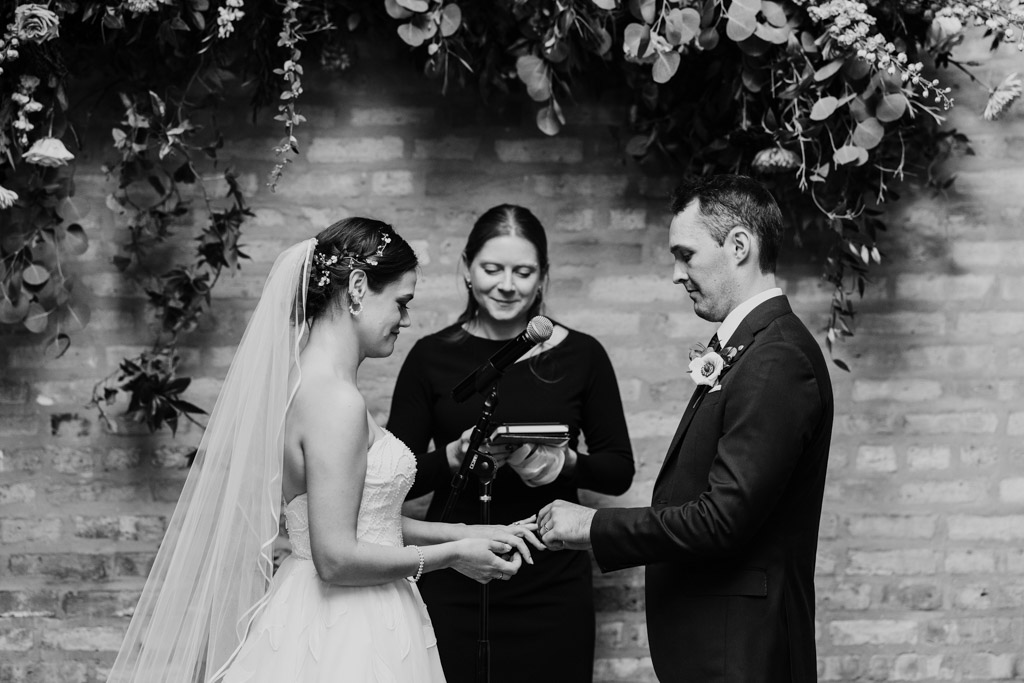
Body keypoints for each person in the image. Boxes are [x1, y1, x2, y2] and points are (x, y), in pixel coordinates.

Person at [106, 218, 542, 683]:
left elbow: (359, 520)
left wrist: (460, 532)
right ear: (357, 287)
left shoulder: (306, 384)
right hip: (349, 627)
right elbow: (335, 558)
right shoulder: (336, 401)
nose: (406, 320)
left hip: (323, 606)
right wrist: (454, 554)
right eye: (401, 302)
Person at [537, 176, 835, 683]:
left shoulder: (776, 357)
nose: (677, 274)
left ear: (739, 246)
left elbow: (723, 519)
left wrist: (592, 526)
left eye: (686, 254)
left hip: (741, 653)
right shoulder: (753, 347)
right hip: (718, 648)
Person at [387, 204, 635, 683]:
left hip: (551, 582)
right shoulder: (431, 356)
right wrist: (455, 458)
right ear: (465, 268)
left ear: (543, 276)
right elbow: (395, 475)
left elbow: (617, 471)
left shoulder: (582, 355)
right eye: (491, 269)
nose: (507, 285)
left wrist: (561, 464)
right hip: (453, 570)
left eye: (523, 272)